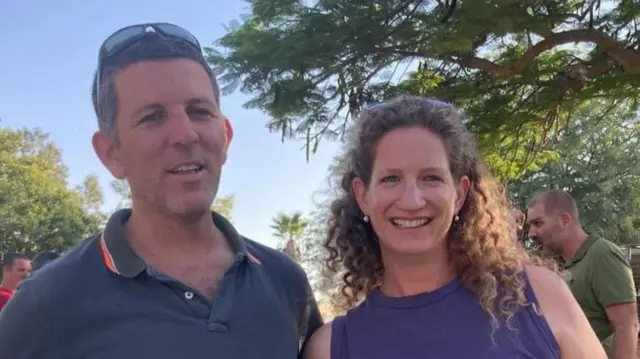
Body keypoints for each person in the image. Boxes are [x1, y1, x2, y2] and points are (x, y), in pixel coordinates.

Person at [0, 23, 322, 358]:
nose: (185, 134)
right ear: (111, 153)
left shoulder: (285, 281)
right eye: (153, 117)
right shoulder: (45, 305)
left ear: (225, 136)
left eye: (199, 111)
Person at [303, 96, 605, 359]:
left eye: (431, 177)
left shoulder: (538, 296)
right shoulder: (330, 348)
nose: (411, 200)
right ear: (362, 196)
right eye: (391, 179)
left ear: (459, 194)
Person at [527, 190, 638, 359]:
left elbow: (627, 325)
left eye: (538, 223)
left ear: (565, 220)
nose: (531, 234)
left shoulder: (602, 255)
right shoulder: (557, 265)